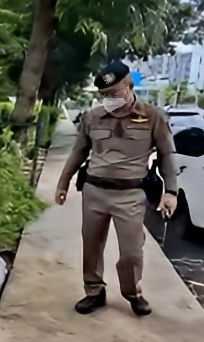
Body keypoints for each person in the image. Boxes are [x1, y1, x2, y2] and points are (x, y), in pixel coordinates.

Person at [54, 61, 178, 317]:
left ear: (130, 86)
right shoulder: (92, 117)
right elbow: (78, 152)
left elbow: (166, 156)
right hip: (94, 192)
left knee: (132, 251)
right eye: (105, 94)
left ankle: (133, 292)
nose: (110, 98)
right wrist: (63, 183)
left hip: (130, 195)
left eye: (115, 92)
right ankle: (94, 291)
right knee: (91, 245)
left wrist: (171, 191)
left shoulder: (153, 117)